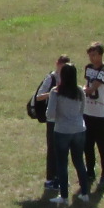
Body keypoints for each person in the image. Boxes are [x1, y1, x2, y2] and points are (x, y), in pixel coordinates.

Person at [46, 61, 93, 206]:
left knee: (62, 163)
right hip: (79, 129)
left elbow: (50, 114)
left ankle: (64, 196)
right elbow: (82, 110)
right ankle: (85, 193)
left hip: (62, 130)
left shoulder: (56, 92)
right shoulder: (80, 91)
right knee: (79, 161)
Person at [31, 55, 68, 199]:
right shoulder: (50, 78)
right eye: (61, 66)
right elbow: (39, 96)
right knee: (52, 148)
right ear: (57, 64)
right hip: (52, 118)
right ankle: (50, 178)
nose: (63, 70)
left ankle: (60, 177)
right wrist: (54, 91)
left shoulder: (67, 77)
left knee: (63, 148)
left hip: (63, 117)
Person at [82, 42, 104, 190]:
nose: (91, 58)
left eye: (94, 55)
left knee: (102, 144)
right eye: (90, 55)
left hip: (100, 113)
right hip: (87, 112)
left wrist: (80, 90)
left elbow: (93, 88)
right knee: (87, 144)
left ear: (100, 55)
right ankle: (90, 171)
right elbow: (87, 84)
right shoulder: (88, 68)